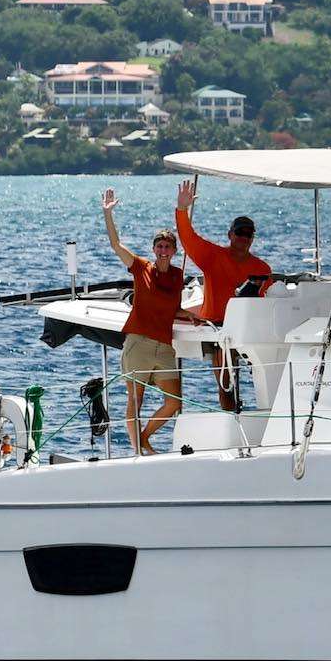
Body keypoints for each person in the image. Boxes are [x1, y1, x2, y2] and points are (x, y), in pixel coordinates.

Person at [101, 188, 188, 455]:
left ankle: (145, 437)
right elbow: (116, 246)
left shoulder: (177, 276)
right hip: (138, 342)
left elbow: (173, 308)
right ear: (154, 249)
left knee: (174, 402)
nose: (163, 250)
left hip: (164, 346)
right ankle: (139, 448)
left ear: (174, 250)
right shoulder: (141, 267)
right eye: (159, 246)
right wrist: (108, 214)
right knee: (135, 399)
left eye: (168, 247)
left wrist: (192, 316)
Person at [176, 177, 272, 412]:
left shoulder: (263, 269)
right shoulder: (213, 256)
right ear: (230, 234)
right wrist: (181, 209)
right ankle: (231, 417)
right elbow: (189, 239)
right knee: (225, 384)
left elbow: (269, 299)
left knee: (269, 372)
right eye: (240, 232)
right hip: (218, 329)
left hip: (250, 330)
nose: (243, 237)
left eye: (248, 234)